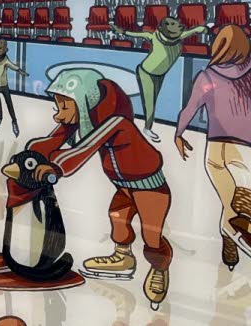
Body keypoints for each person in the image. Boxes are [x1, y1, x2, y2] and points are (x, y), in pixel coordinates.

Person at [25, 68, 172, 310]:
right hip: (124, 186)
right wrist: (30, 156)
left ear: (83, 101)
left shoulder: (114, 123)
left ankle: (159, 268)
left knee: (151, 235)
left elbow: (82, 151)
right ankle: (123, 259)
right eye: (57, 107)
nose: (58, 116)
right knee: (118, 218)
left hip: (150, 188)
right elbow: (54, 139)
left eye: (64, 107)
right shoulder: (87, 119)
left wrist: (56, 169)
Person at [174, 25, 251, 270]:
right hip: (245, 150)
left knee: (231, 203)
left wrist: (178, 134)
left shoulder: (207, 77)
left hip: (216, 149)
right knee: (239, 203)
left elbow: (189, 109)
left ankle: (229, 237)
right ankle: (232, 233)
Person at [110, 15, 209, 143]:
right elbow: (135, 34)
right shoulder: (153, 37)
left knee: (154, 101)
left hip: (159, 75)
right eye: (172, 25)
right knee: (150, 103)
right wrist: (122, 32)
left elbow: (193, 31)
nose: (178, 26)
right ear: (163, 29)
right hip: (146, 73)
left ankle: (146, 125)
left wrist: (200, 29)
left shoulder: (179, 37)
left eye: (176, 24)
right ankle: (147, 128)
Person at [0, 39, 27, 137]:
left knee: (9, 104)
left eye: (2, 48)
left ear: (5, 50)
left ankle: (14, 121)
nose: (0, 49)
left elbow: (13, 66)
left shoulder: (5, 59)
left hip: (4, 86)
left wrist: (20, 71)